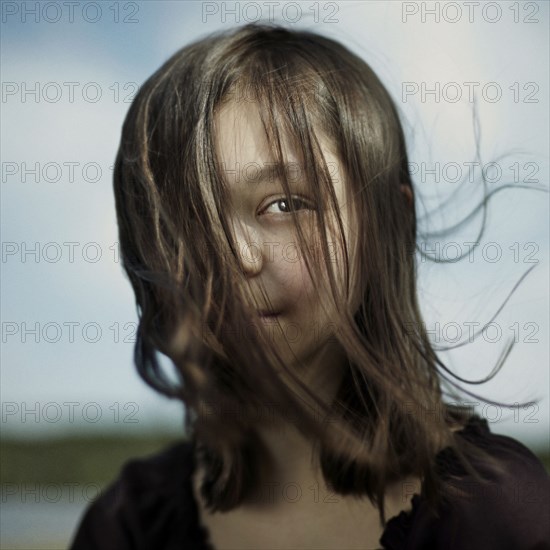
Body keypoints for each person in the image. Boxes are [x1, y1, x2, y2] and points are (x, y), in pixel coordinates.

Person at [69, 23, 549, 549]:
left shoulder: (498, 515)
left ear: (390, 222)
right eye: (186, 222)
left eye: (284, 204)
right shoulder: (128, 525)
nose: (234, 259)